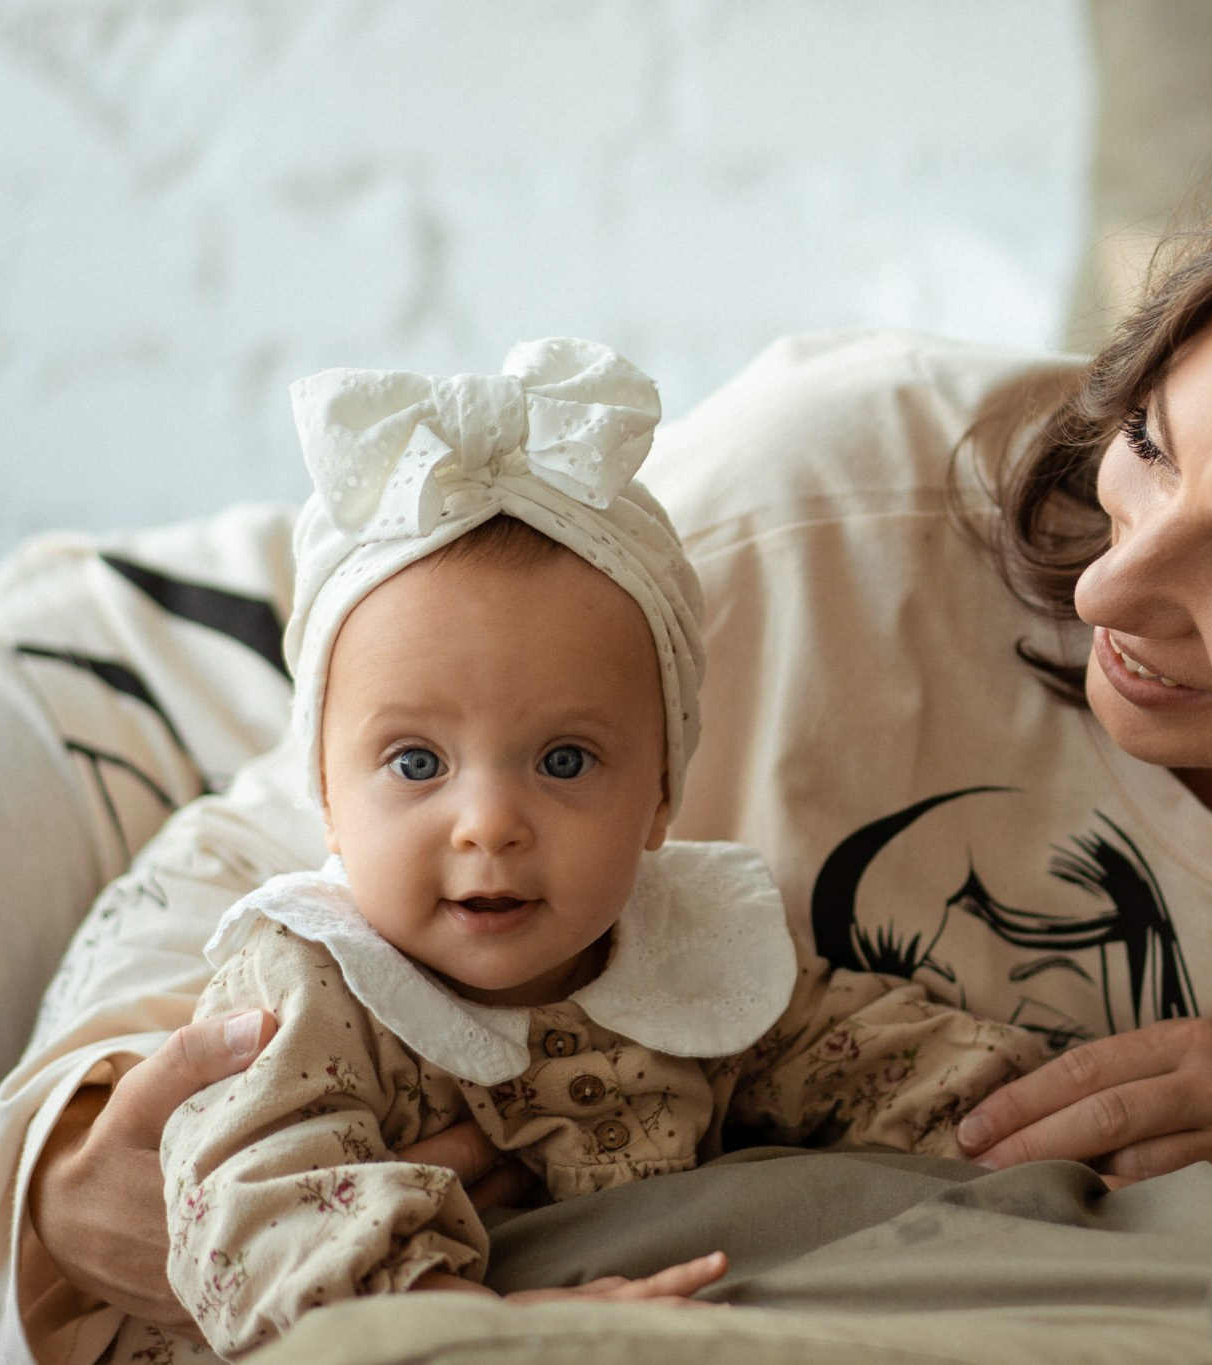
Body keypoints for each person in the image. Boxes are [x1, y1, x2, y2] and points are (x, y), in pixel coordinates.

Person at [5, 74, 1212, 1363]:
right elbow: (279, 846)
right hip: (188, 699)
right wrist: (74, 1162)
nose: (1104, 589)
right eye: (1144, 445)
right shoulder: (830, 504)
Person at [122, 340, 1043, 1362]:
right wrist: (467, 1323)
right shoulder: (313, 981)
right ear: (329, 802)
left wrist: (1034, 1120)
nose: (488, 824)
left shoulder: (688, 951)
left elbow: (869, 1060)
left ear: (659, 797)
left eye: (563, 759)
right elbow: (258, 1195)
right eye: (417, 762)